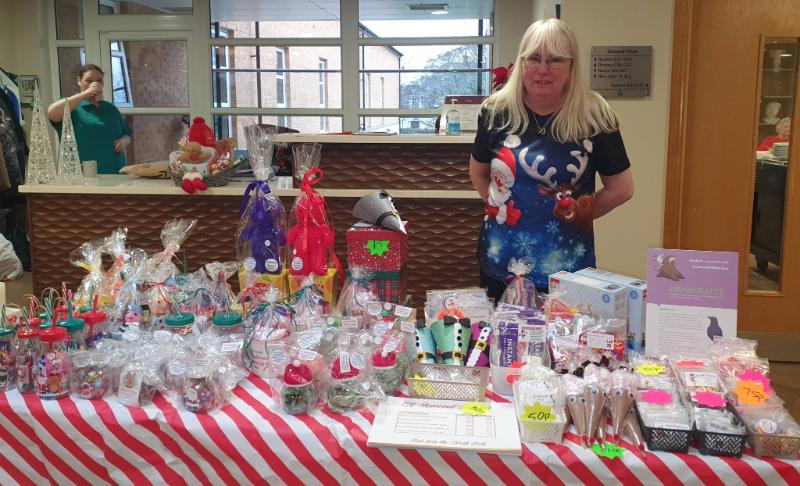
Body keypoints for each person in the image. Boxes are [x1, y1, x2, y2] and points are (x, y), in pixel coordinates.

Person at [469, 19, 634, 302]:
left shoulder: (595, 115)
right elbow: (479, 173)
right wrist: (501, 207)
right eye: (534, 58)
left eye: (555, 60)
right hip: (500, 262)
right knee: (501, 344)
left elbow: (622, 188)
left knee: (564, 345)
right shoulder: (496, 111)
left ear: (571, 66)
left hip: (567, 270)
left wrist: (579, 214)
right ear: (522, 62)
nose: (543, 69)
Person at [47, 64, 132, 174]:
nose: (94, 84)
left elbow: (127, 133)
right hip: (81, 177)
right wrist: (85, 94)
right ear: (79, 81)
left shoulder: (110, 109)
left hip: (115, 174)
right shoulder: (72, 107)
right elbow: (52, 113)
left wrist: (124, 141)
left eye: (99, 81)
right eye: (89, 81)